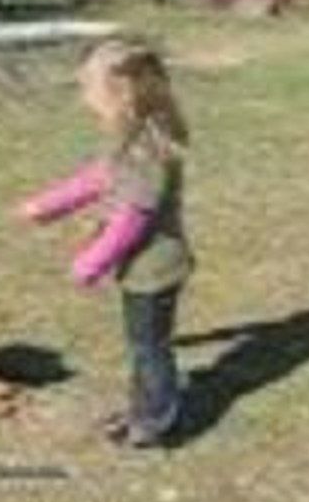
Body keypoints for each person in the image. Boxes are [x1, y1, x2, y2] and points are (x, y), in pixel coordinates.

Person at [16, 40, 194, 447]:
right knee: (144, 344)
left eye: (89, 91)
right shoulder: (130, 139)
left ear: (122, 95)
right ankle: (146, 407)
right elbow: (97, 178)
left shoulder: (146, 151)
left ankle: (157, 421)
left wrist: (91, 263)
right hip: (142, 270)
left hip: (154, 271)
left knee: (149, 348)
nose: (84, 100)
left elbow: (133, 219)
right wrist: (48, 205)